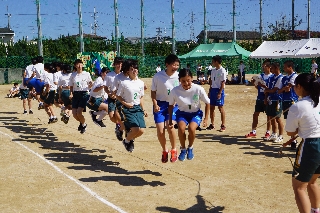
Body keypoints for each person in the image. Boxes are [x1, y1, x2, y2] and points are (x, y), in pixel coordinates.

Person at [285, 73, 320, 213]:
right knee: (312, 181)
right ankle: (316, 210)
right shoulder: (317, 101)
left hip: (311, 146)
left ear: (299, 87)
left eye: (295, 86)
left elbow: (290, 132)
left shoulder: (298, 106)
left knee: (299, 187)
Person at [168, 68, 210, 161]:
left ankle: (190, 147)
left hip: (195, 113)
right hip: (182, 113)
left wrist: (206, 118)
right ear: (179, 80)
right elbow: (170, 105)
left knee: (191, 129)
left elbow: (208, 103)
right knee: (181, 129)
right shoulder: (175, 91)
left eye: (188, 80)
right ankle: (183, 148)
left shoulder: (198, 89)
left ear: (192, 78)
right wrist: (170, 120)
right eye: (183, 81)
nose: (186, 83)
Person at [151, 54, 180, 163]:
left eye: (177, 65)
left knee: (170, 126)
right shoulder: (158, 76)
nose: (176, 67)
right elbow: (153, 92)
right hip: (160, 105)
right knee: (160, 130)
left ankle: (174, 149)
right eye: (173, 64)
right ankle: (165, 150)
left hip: (173, 105)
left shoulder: (178, 76)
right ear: (167, 64)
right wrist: (155, 104)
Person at [116, 59, 146, 152]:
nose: (135, 70)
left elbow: (141, 97)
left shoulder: (141, 83)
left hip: (137, 108)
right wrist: (126, 104)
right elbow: (118, 96)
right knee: (136, 129)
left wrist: (143, 109)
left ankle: (127, 139)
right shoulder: (124, 83)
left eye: (136, 68)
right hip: (127, 108)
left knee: (141, 131)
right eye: (132, 69)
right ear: (128, 71)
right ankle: (128, 140)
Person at [245, 60, 273, 139]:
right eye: (262, 66)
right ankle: (253, 131)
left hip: (268, 98)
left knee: (269, 116)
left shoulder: (272, 77)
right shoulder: (261, 76)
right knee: (255, 114)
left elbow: (270, 88)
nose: (263, 68)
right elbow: (258, 87)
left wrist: (262, 86)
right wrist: (255, 83)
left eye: (264, 66)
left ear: (269, 67)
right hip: (260, 97)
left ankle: (268, 132)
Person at [277, 60, 298, 149]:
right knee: (289, 121)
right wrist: (284, 89)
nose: (284, 68)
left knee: (294, 121)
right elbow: (280, 90)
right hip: (285, 101)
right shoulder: (284, 78)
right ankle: (293, 139)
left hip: (292, 101)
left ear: (290, 67)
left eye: (285, 67)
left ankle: (295, 140)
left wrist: (284, 89)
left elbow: (289, 87)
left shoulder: (295, 76)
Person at [69, 59, 93, 134]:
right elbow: (71, 86)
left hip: (84, 94)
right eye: (77, 64)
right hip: (76, 94)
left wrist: (91, 84)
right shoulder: (73, 75)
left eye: (80, 64)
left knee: (79, 112)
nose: (79, 66)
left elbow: (90, 83)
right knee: (74, 114)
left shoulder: (86, 74)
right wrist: (71, 93)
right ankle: (83, 124)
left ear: (82, 65)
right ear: (75, 66)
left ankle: (83, 124)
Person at [103, 57, 125, 140]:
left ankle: (121, 128)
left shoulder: (124, 75)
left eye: (121, 64)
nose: (119, 65)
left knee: (118, 114)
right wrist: (109, 93)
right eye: (117, 64)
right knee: (112, 117)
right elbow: (105, 87)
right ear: (114, 65)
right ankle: (118, 126)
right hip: (111, 98)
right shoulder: (109, 75)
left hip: (121, 99)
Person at [264, 62, 284, 143]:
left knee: (278, 118)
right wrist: (266, 97)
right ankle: (274, 134)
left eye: (272, 68)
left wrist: (267, 90)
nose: (270, 69)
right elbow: (268, 89)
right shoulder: (271, 77)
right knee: (271, 117)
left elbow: (274, 89)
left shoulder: (281, 78)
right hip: (270, 100)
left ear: (276, 68)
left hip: (277, 100)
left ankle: (281, 135)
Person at [207, 55, 227, 132]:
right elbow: (211, 81)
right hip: (213, 90)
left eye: (213, 61)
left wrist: (220, 92)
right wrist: (209, 91)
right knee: (211, 107)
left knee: (220, 107)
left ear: (216, 62)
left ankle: (223, 125)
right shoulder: (213, 70)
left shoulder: (222, 70)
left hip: (219, 90)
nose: (212, 63)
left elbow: (223, 82)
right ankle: (212, 124)